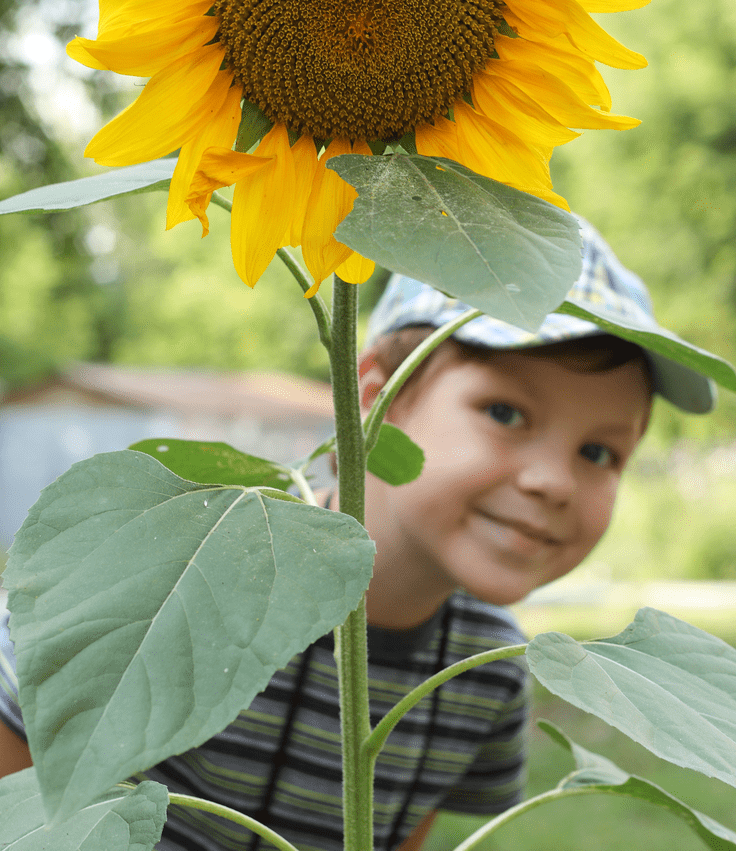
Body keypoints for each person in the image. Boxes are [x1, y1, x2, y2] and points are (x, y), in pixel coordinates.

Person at [0, 218, 716, 851]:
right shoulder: (193, 560)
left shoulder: (489, 676)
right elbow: (21, 790)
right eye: (505, 412)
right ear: (374, 398)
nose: (554, 481)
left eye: (599, 453)